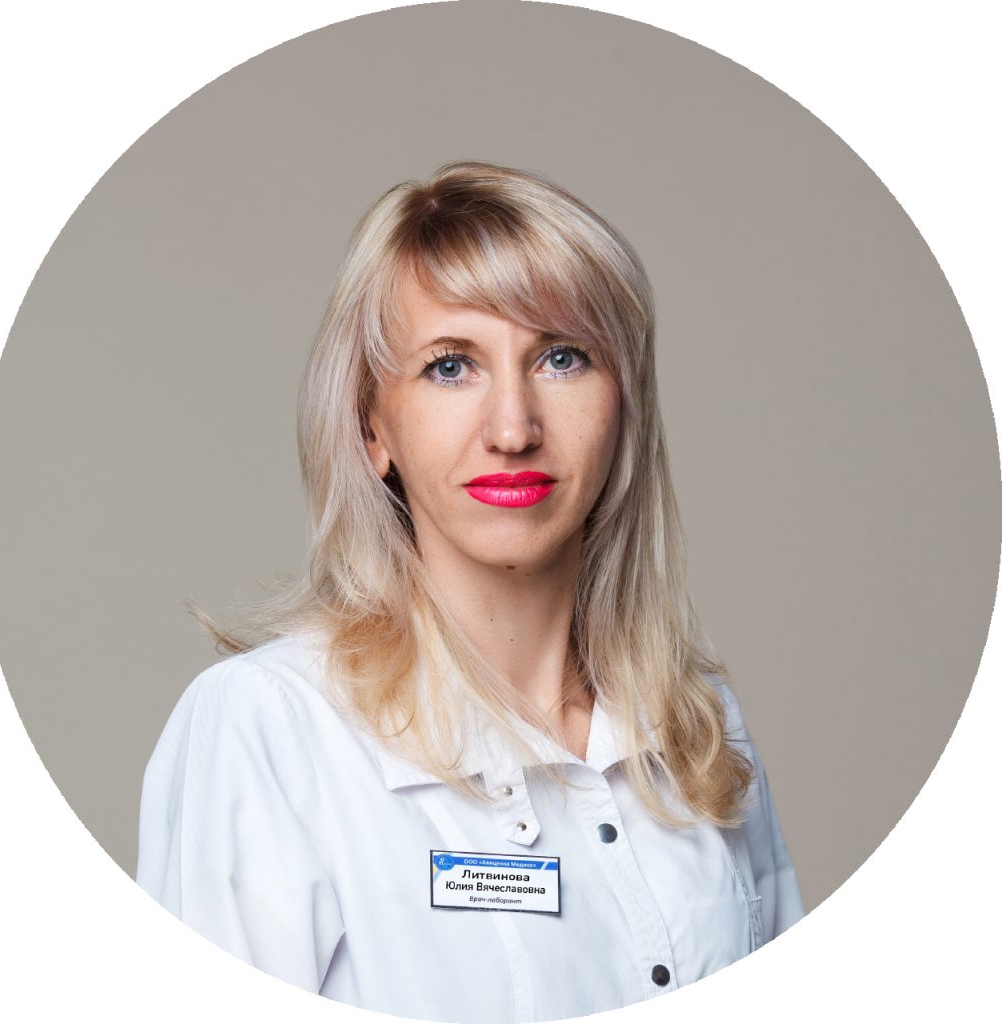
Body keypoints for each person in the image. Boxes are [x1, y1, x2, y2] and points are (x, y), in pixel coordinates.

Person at [136, 159, 804, 1023]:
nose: (514, 429)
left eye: (562, 358)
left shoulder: (700, 729)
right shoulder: (269, 730)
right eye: (451, 367)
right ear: (372, 427)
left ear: (624, 408)